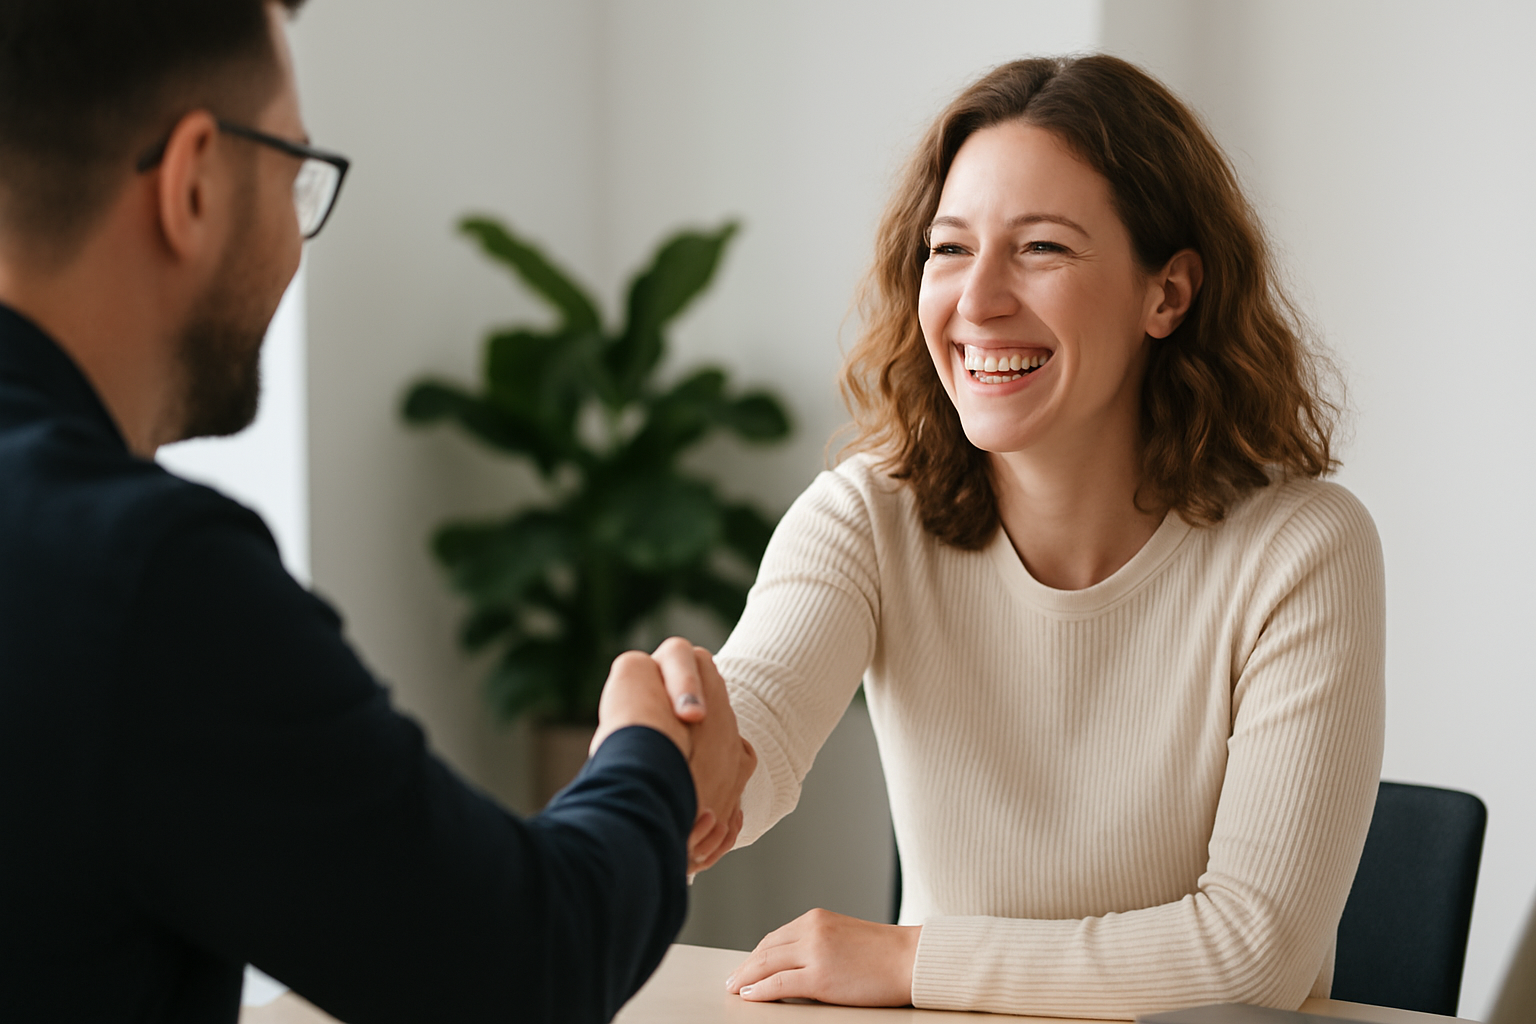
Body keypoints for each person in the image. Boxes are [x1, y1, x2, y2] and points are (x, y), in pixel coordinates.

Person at [0, 2, 753, 1022]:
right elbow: (522, 960)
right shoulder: (142, 576)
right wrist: (648, 752)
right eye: (294, 172)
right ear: (192, 183)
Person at [706, 55, 1386, 1017]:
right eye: (948, 249)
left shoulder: (1301, 551)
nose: (977, 300)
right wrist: (675, 767)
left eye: (1042, 249)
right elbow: (755, 728)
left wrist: (913, 963)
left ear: (1169, 294)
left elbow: (1251, 959)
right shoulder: (866, 516)